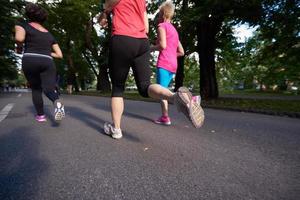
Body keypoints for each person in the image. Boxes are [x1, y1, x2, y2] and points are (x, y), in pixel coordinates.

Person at [98, 0, 204, 139]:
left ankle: (116, 129)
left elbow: (104, 14)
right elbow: (146, 28)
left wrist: (105, 12)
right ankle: (176, 97)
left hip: (122, 38)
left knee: (118, 88)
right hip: (142, 42)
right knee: (144, 86)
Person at [15, 3, 65, 122]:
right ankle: (56, 102)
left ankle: (41, 116)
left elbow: (19, 39)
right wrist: (46, 52)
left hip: (30, 59)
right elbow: (60, 55)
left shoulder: (22, 26)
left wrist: (19, 47)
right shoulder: (49, 34)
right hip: (47, 61)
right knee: (49, 89)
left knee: (36, 89)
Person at [150, 1, 184, 125]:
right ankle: (166, 115)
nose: (158, 16)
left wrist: (150, 48)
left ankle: (166, 116)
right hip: (173, 65)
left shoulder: (161, 26)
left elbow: (163, 45)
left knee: (161, 91)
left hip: (164, 63)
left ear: (163, 14)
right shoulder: (174, 31)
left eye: (159, 14)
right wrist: (171, 54)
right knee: (163, 90)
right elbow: (181, 52)